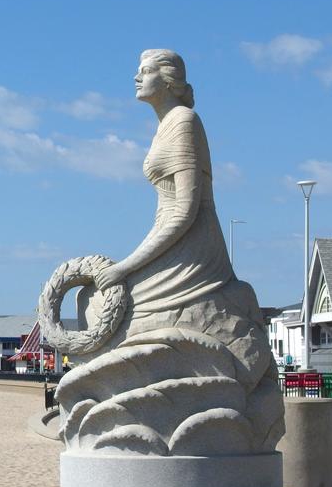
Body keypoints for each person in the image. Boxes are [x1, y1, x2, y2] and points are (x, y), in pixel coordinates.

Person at [56, 49, 282, 456]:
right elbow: (165, 213)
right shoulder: (164, 126)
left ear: (169, 79)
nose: (135, 77)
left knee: (111, 304)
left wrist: (125, 267)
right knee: (98, 300)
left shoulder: (184, 122)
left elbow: (185, 211)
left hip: (193, 250)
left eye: (144, 71)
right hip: (169, 235)